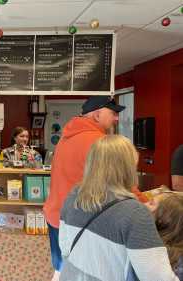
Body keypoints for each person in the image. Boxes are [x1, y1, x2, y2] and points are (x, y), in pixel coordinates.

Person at [59, 135, 178, 281]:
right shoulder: (135, 213)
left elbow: (64, 248)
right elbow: (158, 277)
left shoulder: (73, 197)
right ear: (127, 168)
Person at [42, 96, 126, 281]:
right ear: (97, 115)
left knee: (61, 271)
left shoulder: (66, 136)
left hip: (57, 216)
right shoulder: (99, 142)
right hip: (80, 221)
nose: (116, 118)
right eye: (113, 113)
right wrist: (145, 202)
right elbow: (118, 184)